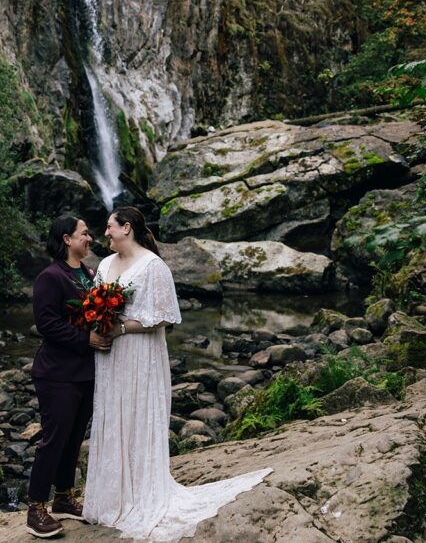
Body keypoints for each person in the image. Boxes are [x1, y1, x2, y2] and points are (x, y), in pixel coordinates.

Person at [82, 207, 272, 541]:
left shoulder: (154, 267)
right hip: (111, 357)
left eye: (110, 227)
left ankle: (140, 495)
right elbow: (94, 306)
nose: (105, 233)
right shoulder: (104, 265)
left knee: (138, 416)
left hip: (140, 355)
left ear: (126, 228)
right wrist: (99, 323)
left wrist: (122, 327)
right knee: (113, 415)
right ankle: (112, 497)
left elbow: (166, 316)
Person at [27, 214, 111, 538]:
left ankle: (63, 497)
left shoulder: (89, 273)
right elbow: (46, 324)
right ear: (66, 239)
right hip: (56, 373)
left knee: (75, 437)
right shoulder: (50, 276)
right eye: (84, 234)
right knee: (54, 438)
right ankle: (35, 508)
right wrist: (85, 339)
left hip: (86, 372)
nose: (89, 239)